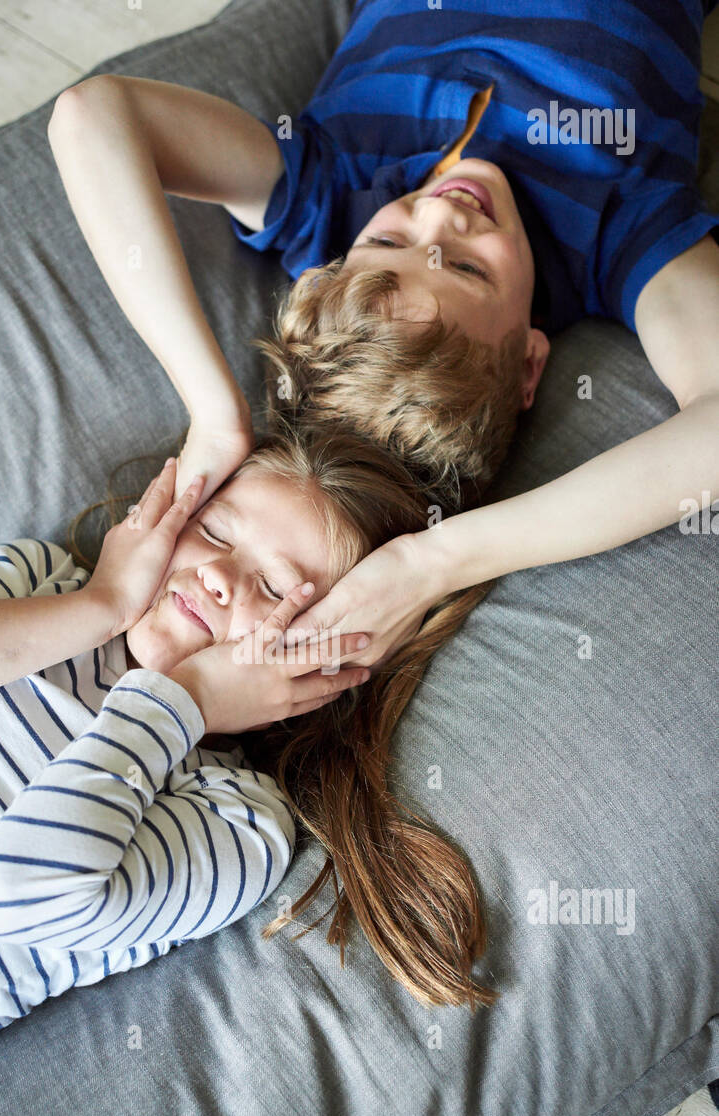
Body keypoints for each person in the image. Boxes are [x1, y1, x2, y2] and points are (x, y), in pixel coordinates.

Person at [0, 438, 493, 1116]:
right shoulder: (37, 582)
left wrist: (183, 700)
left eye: (276, 589)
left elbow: (7, 895)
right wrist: (100, 604)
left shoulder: (238, 821)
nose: (217, 575)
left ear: (320, 669)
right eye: (213, 532)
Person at [46, 0, 719, 665]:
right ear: (528, 365)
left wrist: (214, 412)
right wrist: (434, 561)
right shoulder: (626, 230)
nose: (440, 214)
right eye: (469, 269)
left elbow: (94, 114)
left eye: (388, 241)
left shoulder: (329, 196)